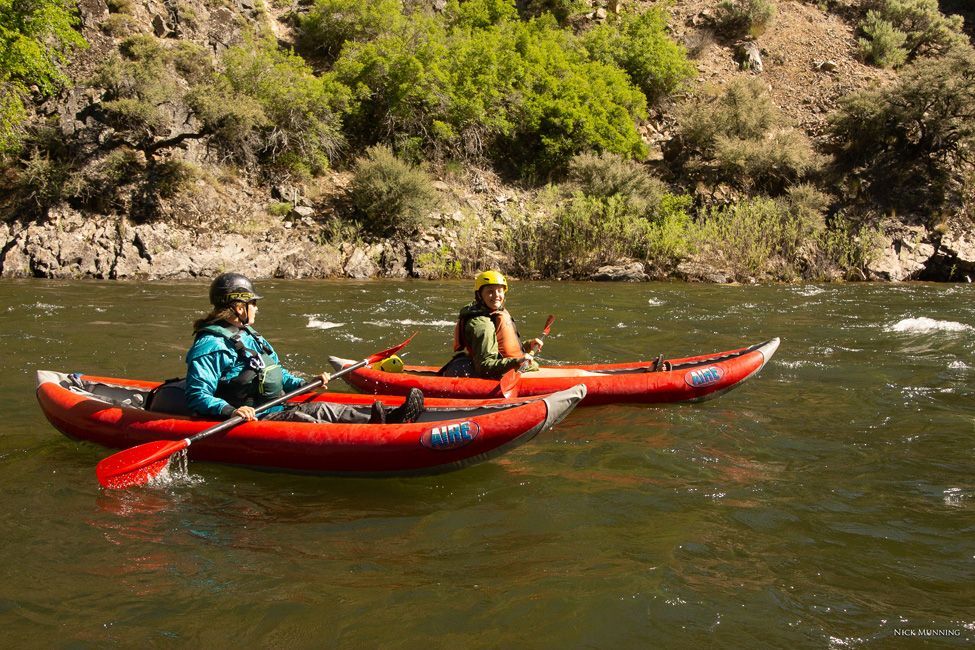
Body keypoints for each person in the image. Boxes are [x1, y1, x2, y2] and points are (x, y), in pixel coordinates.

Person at [185, 272, 424, 424]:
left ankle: (390, 419)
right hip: (253, 417)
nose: (257, 308)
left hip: (274, 407)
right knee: (309, 419)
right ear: (238, 307)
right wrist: (230, 411)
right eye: (253, 304)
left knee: (325, 408)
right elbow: (197, 396)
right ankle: (375, 434)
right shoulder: (211, 345)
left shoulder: (250, 336)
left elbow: (275, 372)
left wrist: (304, 383)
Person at [440, 270, 541, 379]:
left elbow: (500, 347)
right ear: (479, 295)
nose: (496, 295)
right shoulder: (482, 325)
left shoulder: (493, 313)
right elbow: (484, 367)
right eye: (490, 291)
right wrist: (516, 362)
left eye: (500, 291)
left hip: (493, 365)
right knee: (532, 366)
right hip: (485, 373)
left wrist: (528, 345)